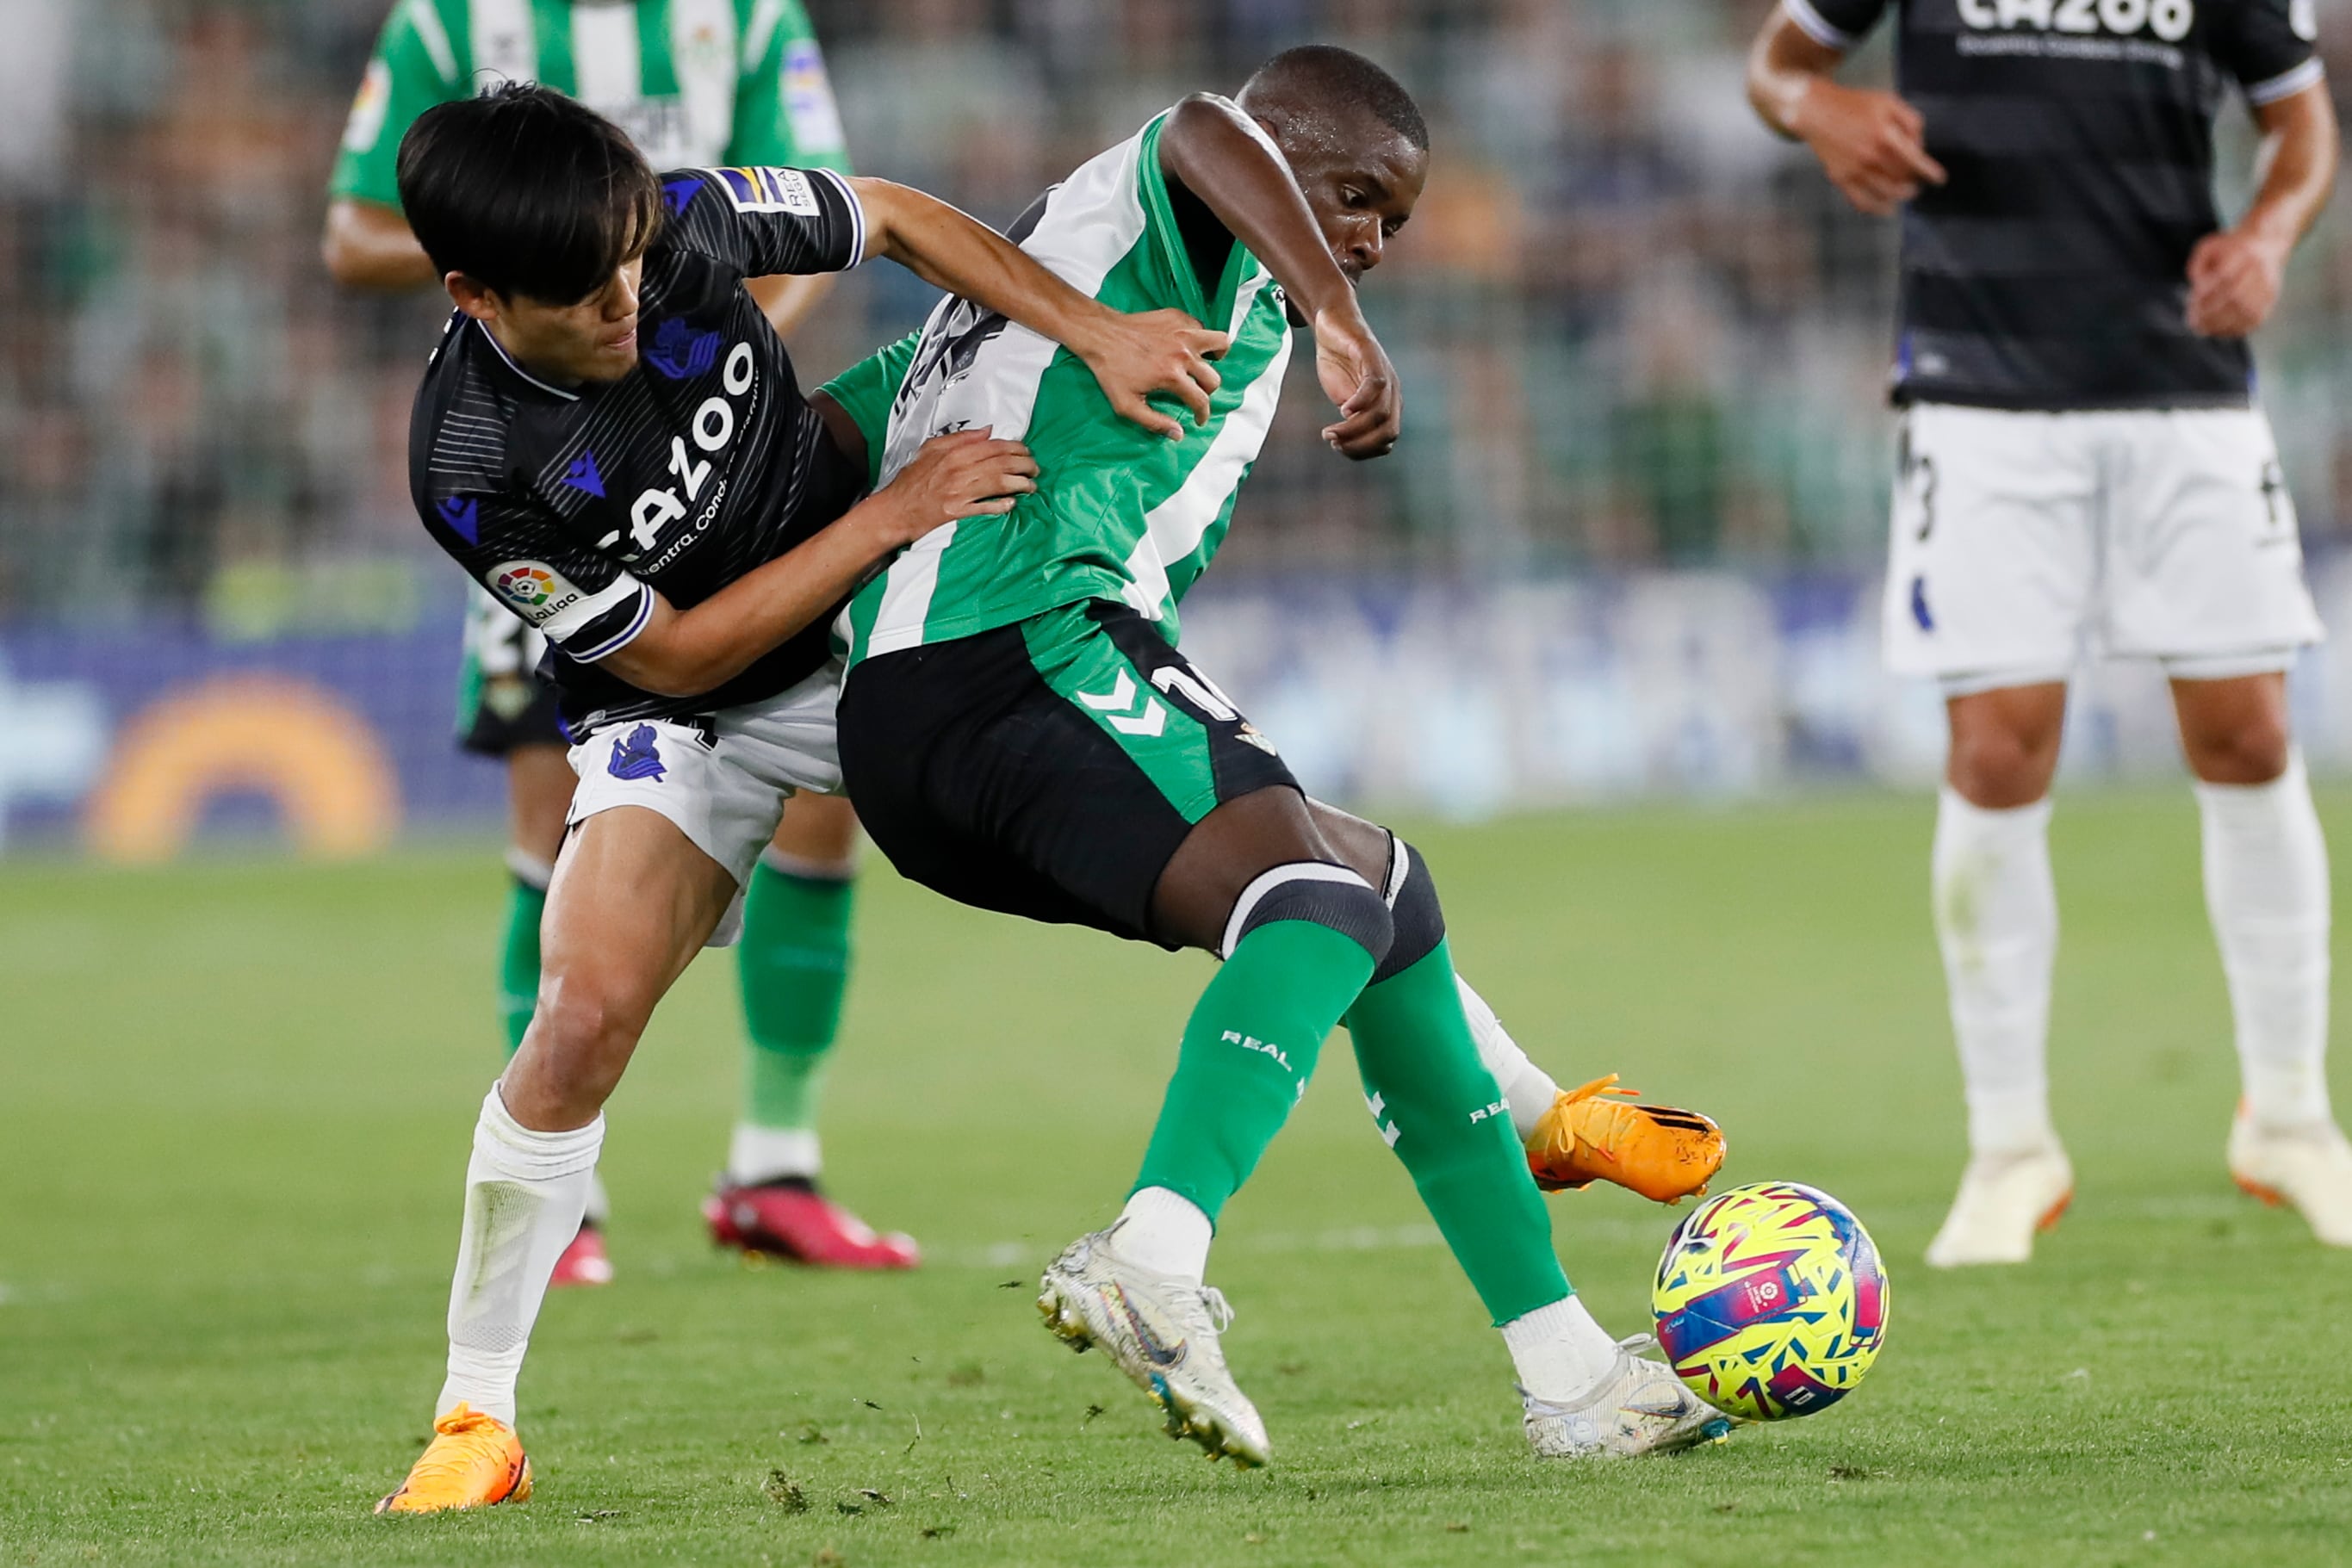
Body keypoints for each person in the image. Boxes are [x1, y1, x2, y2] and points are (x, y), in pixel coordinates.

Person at [828, 46, 1735, 1467]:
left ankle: (1568, 1367)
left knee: (1386, 895)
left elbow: (842, 421)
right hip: (1015, 648)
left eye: (1391, 225)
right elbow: (1200, 126)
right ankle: (1153, 1248)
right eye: (1355, 195)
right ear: (1279, 153)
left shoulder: (1042, 287)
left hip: (968, 691)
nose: (1370, 238)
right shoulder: (1174, 216)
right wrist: (1337, 310)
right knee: (1317, 898)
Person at [372, 82, 1235, 1513]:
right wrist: (888, 515)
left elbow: (887, 214)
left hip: (891, 619)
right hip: (694, 705)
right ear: (473, 294)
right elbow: (673, 649)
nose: (633, 300)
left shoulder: (679, 221)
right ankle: (477, 1415)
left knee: (1211, 856)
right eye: (590, 296)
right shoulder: (466, 464)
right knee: (578, 1018)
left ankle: (1511, 1100)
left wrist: (1089, 328)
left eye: (638, 262)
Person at [1747, 0, 2351, 1264]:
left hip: (2184, 383)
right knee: (1999, 753)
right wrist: (1825, 108)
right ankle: (2012, 1146)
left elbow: (2302, 125)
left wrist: (2269, 234)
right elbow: (1779, 63)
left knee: (2247, 733)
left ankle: (2290, 1116)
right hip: (1980, 391)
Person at [324, 0, 903, 1276]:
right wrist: (530, 247)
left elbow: (817, 199)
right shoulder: (445, 25)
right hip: (556, 467)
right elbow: (354, 231)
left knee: (822, 797)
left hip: (701, 397)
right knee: (560, 810)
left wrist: (668, 318)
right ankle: (562, 1192)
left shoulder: (742, 18)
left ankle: (776, 1160)